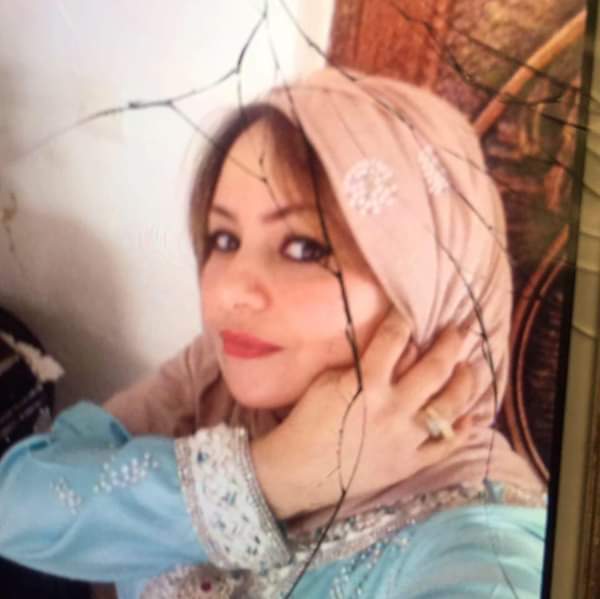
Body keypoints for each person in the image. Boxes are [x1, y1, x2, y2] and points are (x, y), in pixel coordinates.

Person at [0, 68, 547, 598]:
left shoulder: (484, 543)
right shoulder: (218, 376)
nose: (230, 292)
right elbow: (16, 506)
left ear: (428, 284)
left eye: (305, 248)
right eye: (224, 239)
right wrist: (275, 476)